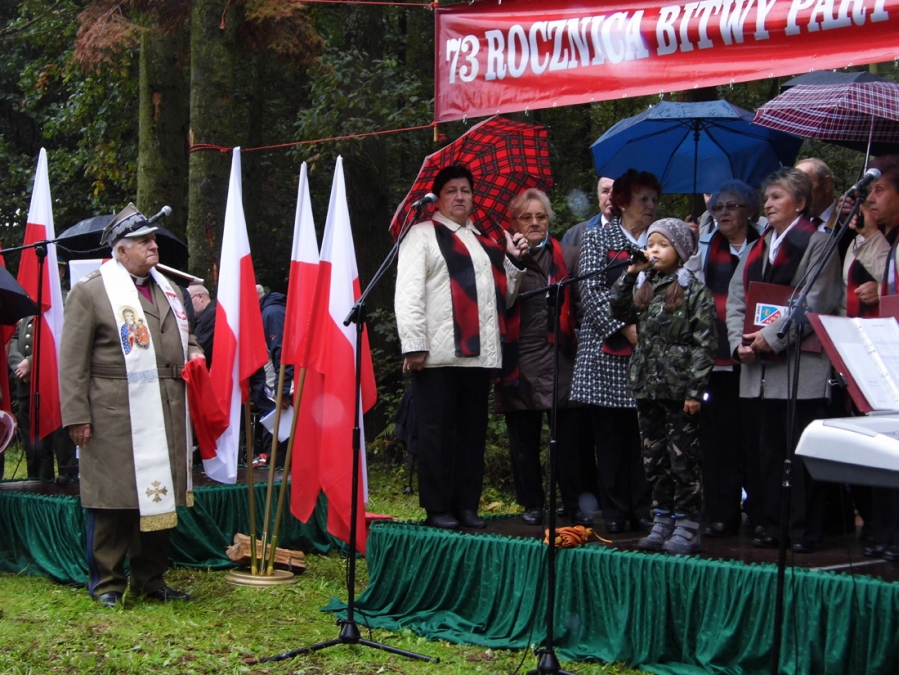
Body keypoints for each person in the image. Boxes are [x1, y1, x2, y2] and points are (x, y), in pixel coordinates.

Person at [59, 203, 204, 608]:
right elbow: (71, 361)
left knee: (159, 495)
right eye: (143, 241)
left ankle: (151, 579)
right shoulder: (91, 291)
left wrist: (195, 351)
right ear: (121, 251)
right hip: (112, 410)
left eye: (153, 239)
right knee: (114, 499)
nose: (153, 246)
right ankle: (107, 583)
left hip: (166, 406)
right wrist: (76, 416)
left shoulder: (169, 289)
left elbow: (185, 335)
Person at [395, 165, 528, 530]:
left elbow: (504, 299)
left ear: (473, 197)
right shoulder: (421, 235)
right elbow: (407, 293)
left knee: (472, 434)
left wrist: (513, 261)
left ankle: (467, 505)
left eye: (465, 190)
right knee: (437, 434)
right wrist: (414, 344)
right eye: (451, 190)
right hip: (437, 357)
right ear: (437, 198)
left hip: (478, 356)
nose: (459, 196)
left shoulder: (484, 242)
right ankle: (438, 507)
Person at [726, 168, 842, 553]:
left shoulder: (819, 242)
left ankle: (804, 529)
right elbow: (737, 300)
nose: (768, 204)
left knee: (800, 451)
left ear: (801, 203)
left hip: (799, 367)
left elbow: (816, 300)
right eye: (768, 197)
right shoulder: (758, 247)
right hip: (757, 368)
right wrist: (738, 344)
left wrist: (770, 337)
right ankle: (773, 523)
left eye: (777, 197)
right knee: (767, 452)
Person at [610, 218, 717, 554]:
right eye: (651, 244)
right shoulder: (646, 285)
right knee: (654, 459)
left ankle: (687, 524)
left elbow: (705, 344)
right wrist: (630, 274)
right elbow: (617, 308)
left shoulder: (694, 291)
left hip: (679, 389)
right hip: (647, 386)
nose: (654, 250)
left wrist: (694, 390)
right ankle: (662, 519)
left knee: (683, 458)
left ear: (681, 251)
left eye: (663, 244)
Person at [494, 188, 592, 526]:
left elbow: (582, 307)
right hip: (518, 356)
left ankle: (574, 503)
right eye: (527, 217)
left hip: (562, 356)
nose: (535, 222)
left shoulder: (570, 255)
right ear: (514, 223)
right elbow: (497, 304)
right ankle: (532, 503)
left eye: (541, 216)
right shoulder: (501, 257)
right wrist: (514, 262)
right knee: (523, 437)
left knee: (568, 439)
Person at [571, 169, 657, 535]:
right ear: (622, 201)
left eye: (654, 199)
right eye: (643, 199)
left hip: (649, 351)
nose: (650, 206)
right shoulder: (597, 238)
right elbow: (590, 294)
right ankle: (616, 510)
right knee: (609, 437)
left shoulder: (659, 241)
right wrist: (625, 328)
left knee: (644, 433)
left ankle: (644, 507)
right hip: (605, 351)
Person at [693, 181, 761, 538]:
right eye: (717, 207)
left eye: (731, 206)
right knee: (717, 442)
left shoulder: (765, 245)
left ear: (749, 211)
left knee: (755, 439)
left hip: (757, 359)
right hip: (714, 359)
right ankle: (721, 513)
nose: (723, 213)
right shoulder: (704, 246)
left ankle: (760, 511)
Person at [249, 284, 293, 467]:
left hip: (277, 393)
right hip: (272, 389)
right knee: (276, 447)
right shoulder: (269, 311)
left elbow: (282, 353)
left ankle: (279, 479)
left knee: (279, 450)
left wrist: (282, 390)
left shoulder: (272, 313)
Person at [562, 177, 615, 247]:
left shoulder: (630, 232)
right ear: (598, 197)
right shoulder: (573, 236)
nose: (611, 197)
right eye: (605, 191)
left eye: (616, 191)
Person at [188, 284, 216, 368]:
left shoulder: (213, 314)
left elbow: (202, 347)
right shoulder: (205, 315)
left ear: (200, 297)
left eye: (188, 300)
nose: (187, 305)